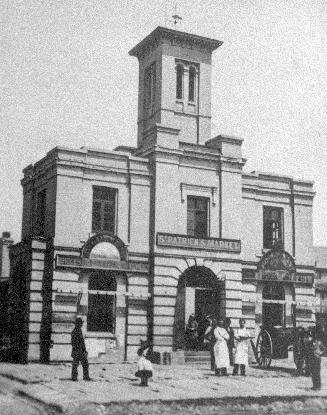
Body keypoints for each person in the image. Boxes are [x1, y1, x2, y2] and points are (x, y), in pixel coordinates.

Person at [71, 317, 91, 381]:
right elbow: (74, 342)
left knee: (84, 364)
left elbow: (82, 342)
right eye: (80, 323)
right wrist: (81, 350)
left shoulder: (79, 330)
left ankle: (84, 377)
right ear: (77, 324)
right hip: (78, 351)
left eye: (81, 324)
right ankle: (75, 377)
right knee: (76, 364)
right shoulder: (75, 331)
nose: (81, 325)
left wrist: (84, 350)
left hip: (80, 351)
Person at [307, 326, 326, 390]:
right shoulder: (311, 341)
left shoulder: (319, 342)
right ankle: (315, 386)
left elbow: (324, 349)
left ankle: (318, 386)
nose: (313, 335)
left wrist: (320, 353)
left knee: (317, 373)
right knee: (313, 373)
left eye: (314, 334)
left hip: (317, 358)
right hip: (312, 358)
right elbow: (308, 349)